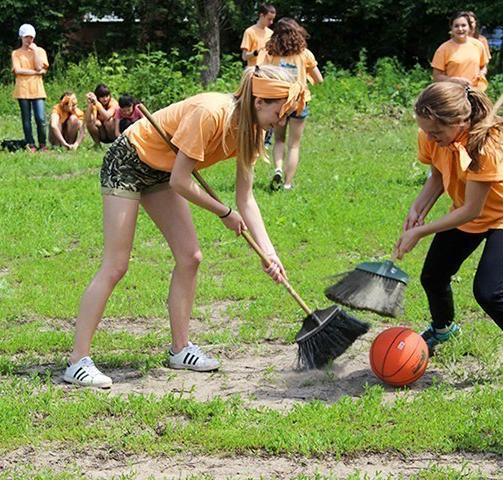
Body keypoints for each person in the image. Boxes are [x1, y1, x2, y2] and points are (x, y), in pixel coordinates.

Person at [63, 65, 304, 388]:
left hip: (162, 170)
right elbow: (181, 181)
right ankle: (77, 361)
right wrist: (223, 212)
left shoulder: (254, 132)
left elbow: (246, 199)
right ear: (260, 102)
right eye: (280, 111)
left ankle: (180, 349)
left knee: (190, 257)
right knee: (116, 264)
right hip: (129, 161)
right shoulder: (210, 113)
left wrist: (269, 254)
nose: (282, 120)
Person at [394, 81, 503, 387]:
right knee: (433, 276)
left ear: (458, 122)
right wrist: (419, 207)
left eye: (435, 133)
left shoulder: (486, 145)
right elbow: (439, 174)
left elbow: (471, 211)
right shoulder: (433, 134)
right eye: (426, 131)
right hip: (470, 211)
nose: (429, 137)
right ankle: (444, 329)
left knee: (489, 291)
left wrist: (422, 232)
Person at [262, 18, 323, 191]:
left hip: (278, 104)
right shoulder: (305, 54)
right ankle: (288, 184)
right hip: (298, 103)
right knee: (294, 145)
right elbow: (319, 80)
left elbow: (264, 76)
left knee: (279, 140)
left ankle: (278, 168)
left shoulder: (271, 55)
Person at [11, 24, 49, 152]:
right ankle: (30, 144)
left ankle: (42, 144)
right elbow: (17, 70)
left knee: (41, 118)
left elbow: (40, 67)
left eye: (31, 37)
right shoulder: (16, 53)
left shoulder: (40, 51)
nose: (29, 40)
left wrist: (35, 52)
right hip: (22, 90)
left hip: (38, 89)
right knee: (26, 119)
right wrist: (36, 73)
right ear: (21, 37)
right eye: (27, 37)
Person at [432, 12, 489, 92]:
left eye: (463, 25)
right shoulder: (443, 49)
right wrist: (454, 80)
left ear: (469, 27)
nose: (460, 29)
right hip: (454, 93)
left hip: (475, 92)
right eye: (456, 26)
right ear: (451, 28)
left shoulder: (478, 45)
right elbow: (436, 76)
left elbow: (483, 66)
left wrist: (482, 73)